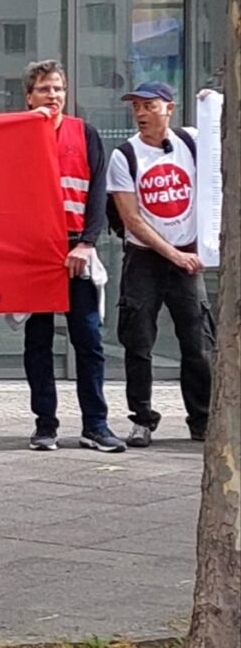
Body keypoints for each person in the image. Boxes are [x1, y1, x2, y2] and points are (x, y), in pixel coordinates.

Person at [104, 81, 215, 447]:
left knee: (198, 342)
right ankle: (142, 419)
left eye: (148, 106)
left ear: (169, 107)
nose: (140, 114)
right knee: (138, 341)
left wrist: (211, 103)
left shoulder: (192, 140)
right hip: (146, 259)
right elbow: (132, 219)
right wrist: (174, 254)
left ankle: (201, 420)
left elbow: (223, 149)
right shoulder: (125, 155)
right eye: (135, 107)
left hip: (188, 255)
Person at [20, 61, 123, 453]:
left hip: (76, 246)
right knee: (38, 342)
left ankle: (95, 425)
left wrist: (88, 242)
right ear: (29, 96)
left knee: (89, 340)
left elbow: (98, 191)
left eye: (59, 89)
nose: (54, 96)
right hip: (34, 252)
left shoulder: (85, 133)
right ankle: (45, 425)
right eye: (45, 89)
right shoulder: (17, 134)